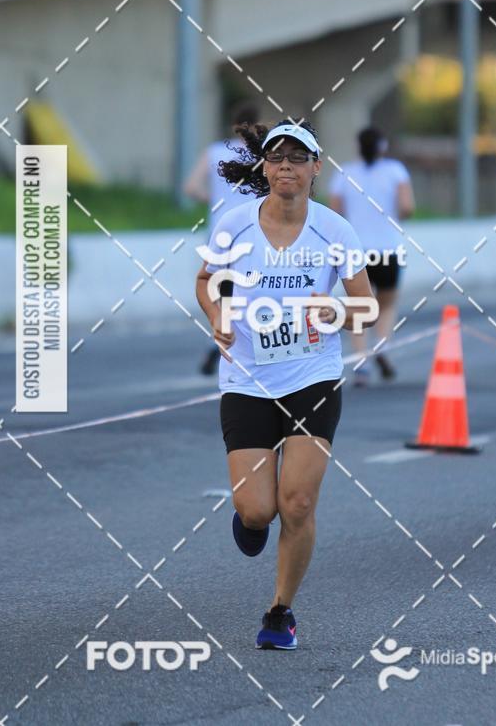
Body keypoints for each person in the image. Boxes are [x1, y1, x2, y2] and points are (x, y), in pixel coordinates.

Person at [195, 119, 376, 650]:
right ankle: (250, 520)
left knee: (296, 504)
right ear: (265, 167)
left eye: (298, 159)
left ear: (317, 169)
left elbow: (365, 310)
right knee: (259, 510)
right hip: (247, 379)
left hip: (312, 377)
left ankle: (280, 612)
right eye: (277, 158)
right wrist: (217, 313)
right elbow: (207, 283)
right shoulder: (233, 224)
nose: (286, 168)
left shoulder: (335, 231)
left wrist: (334, 310)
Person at [329, 126, 415, 386]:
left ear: (358, 146)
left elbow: (335, 214)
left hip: (357, 251)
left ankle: (361, 361)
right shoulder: (395, 171)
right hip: (388, 250)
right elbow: (407, 207)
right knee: (386, 304)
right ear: (382, 146)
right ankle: (381, 347)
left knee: (357, 307)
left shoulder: (344, 173)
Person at [185, 102, 259, 375]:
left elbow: (191, 186)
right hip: (251, 231)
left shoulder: (215, 152)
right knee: (249, 292)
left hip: (219, 231)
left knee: (221, 292)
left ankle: (216, 341)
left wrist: (213, 199)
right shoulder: (259, 156)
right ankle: (231, 345)